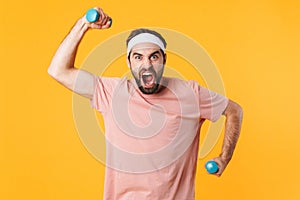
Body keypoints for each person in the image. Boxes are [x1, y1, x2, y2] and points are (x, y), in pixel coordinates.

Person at [48, 7, 243, 200]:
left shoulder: (190, 94)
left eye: (154, 57)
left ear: (164, 60)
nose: (147, 65)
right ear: (129, 62)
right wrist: (84, 24)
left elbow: (234, 111)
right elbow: (58, 70)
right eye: (138, 57)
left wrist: (224, 158)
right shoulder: (111, 92)